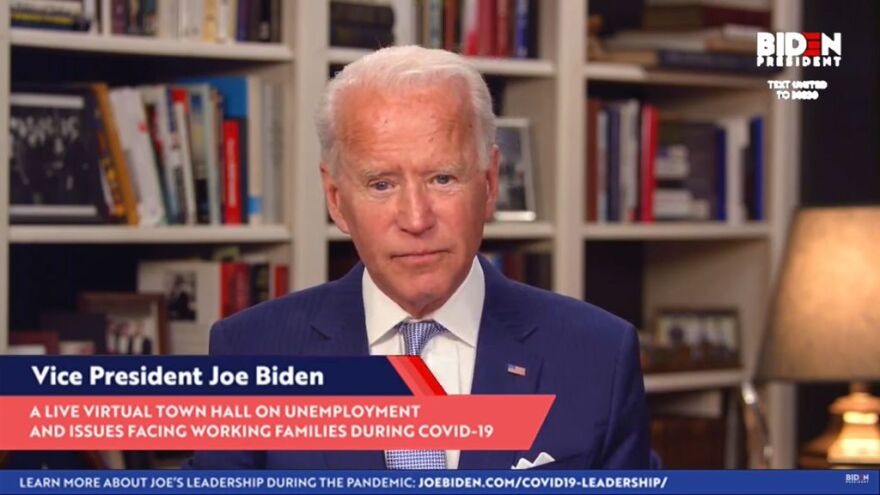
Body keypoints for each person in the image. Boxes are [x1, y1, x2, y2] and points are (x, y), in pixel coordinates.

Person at [189, 46, 649, 470]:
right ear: (336, 200)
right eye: (381, 184)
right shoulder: (250, 352)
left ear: (489, 186)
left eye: (443, 178)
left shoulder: (599, 355)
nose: (415, 218)